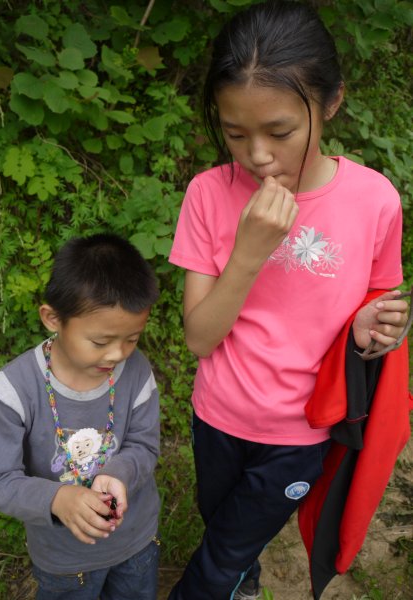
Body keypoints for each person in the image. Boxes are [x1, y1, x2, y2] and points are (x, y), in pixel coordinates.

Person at [167, 1, 409, 599]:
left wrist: (379, 328)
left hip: (300, 431)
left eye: (280, 132)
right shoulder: (207, 194)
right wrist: (248, 252)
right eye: (234, 133)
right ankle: (244, 581)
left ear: (330, 104)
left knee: (220, 555)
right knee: (223, 526)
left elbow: (376, 309)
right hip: (217, 415)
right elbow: (199, 337)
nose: (257, 155)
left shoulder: (374, 201)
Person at [0, 233, 161, 600]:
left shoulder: (137, 372)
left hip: (136, 545)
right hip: (63, 561)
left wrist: (118, 472)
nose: (118, 354)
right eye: (100, 341)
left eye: (132, 339)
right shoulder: (15, 389)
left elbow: (143, 444)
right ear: (53, 318)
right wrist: (57, 499)